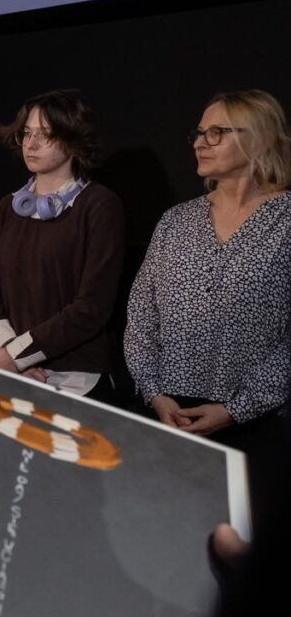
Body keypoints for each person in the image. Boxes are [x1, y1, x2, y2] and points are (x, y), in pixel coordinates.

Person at [124, 89, 291, 514]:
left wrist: (236, 409)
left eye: (216, 133)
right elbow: (141, 316)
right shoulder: (176, 221)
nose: (200, 142)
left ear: (259, 138)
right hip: (167, 418)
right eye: (199, 133)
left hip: (257, 426)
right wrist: (154, 393)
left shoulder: (286, 222)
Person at [0, 90, 125, 404]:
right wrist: (8, 353)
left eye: (45, 135)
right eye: (27, 133)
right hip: (9, 371)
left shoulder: (99, 205)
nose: (30, 144)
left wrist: (18, 355)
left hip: (73, 380)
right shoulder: (8, 207)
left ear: (73, 138)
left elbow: (91, 307)